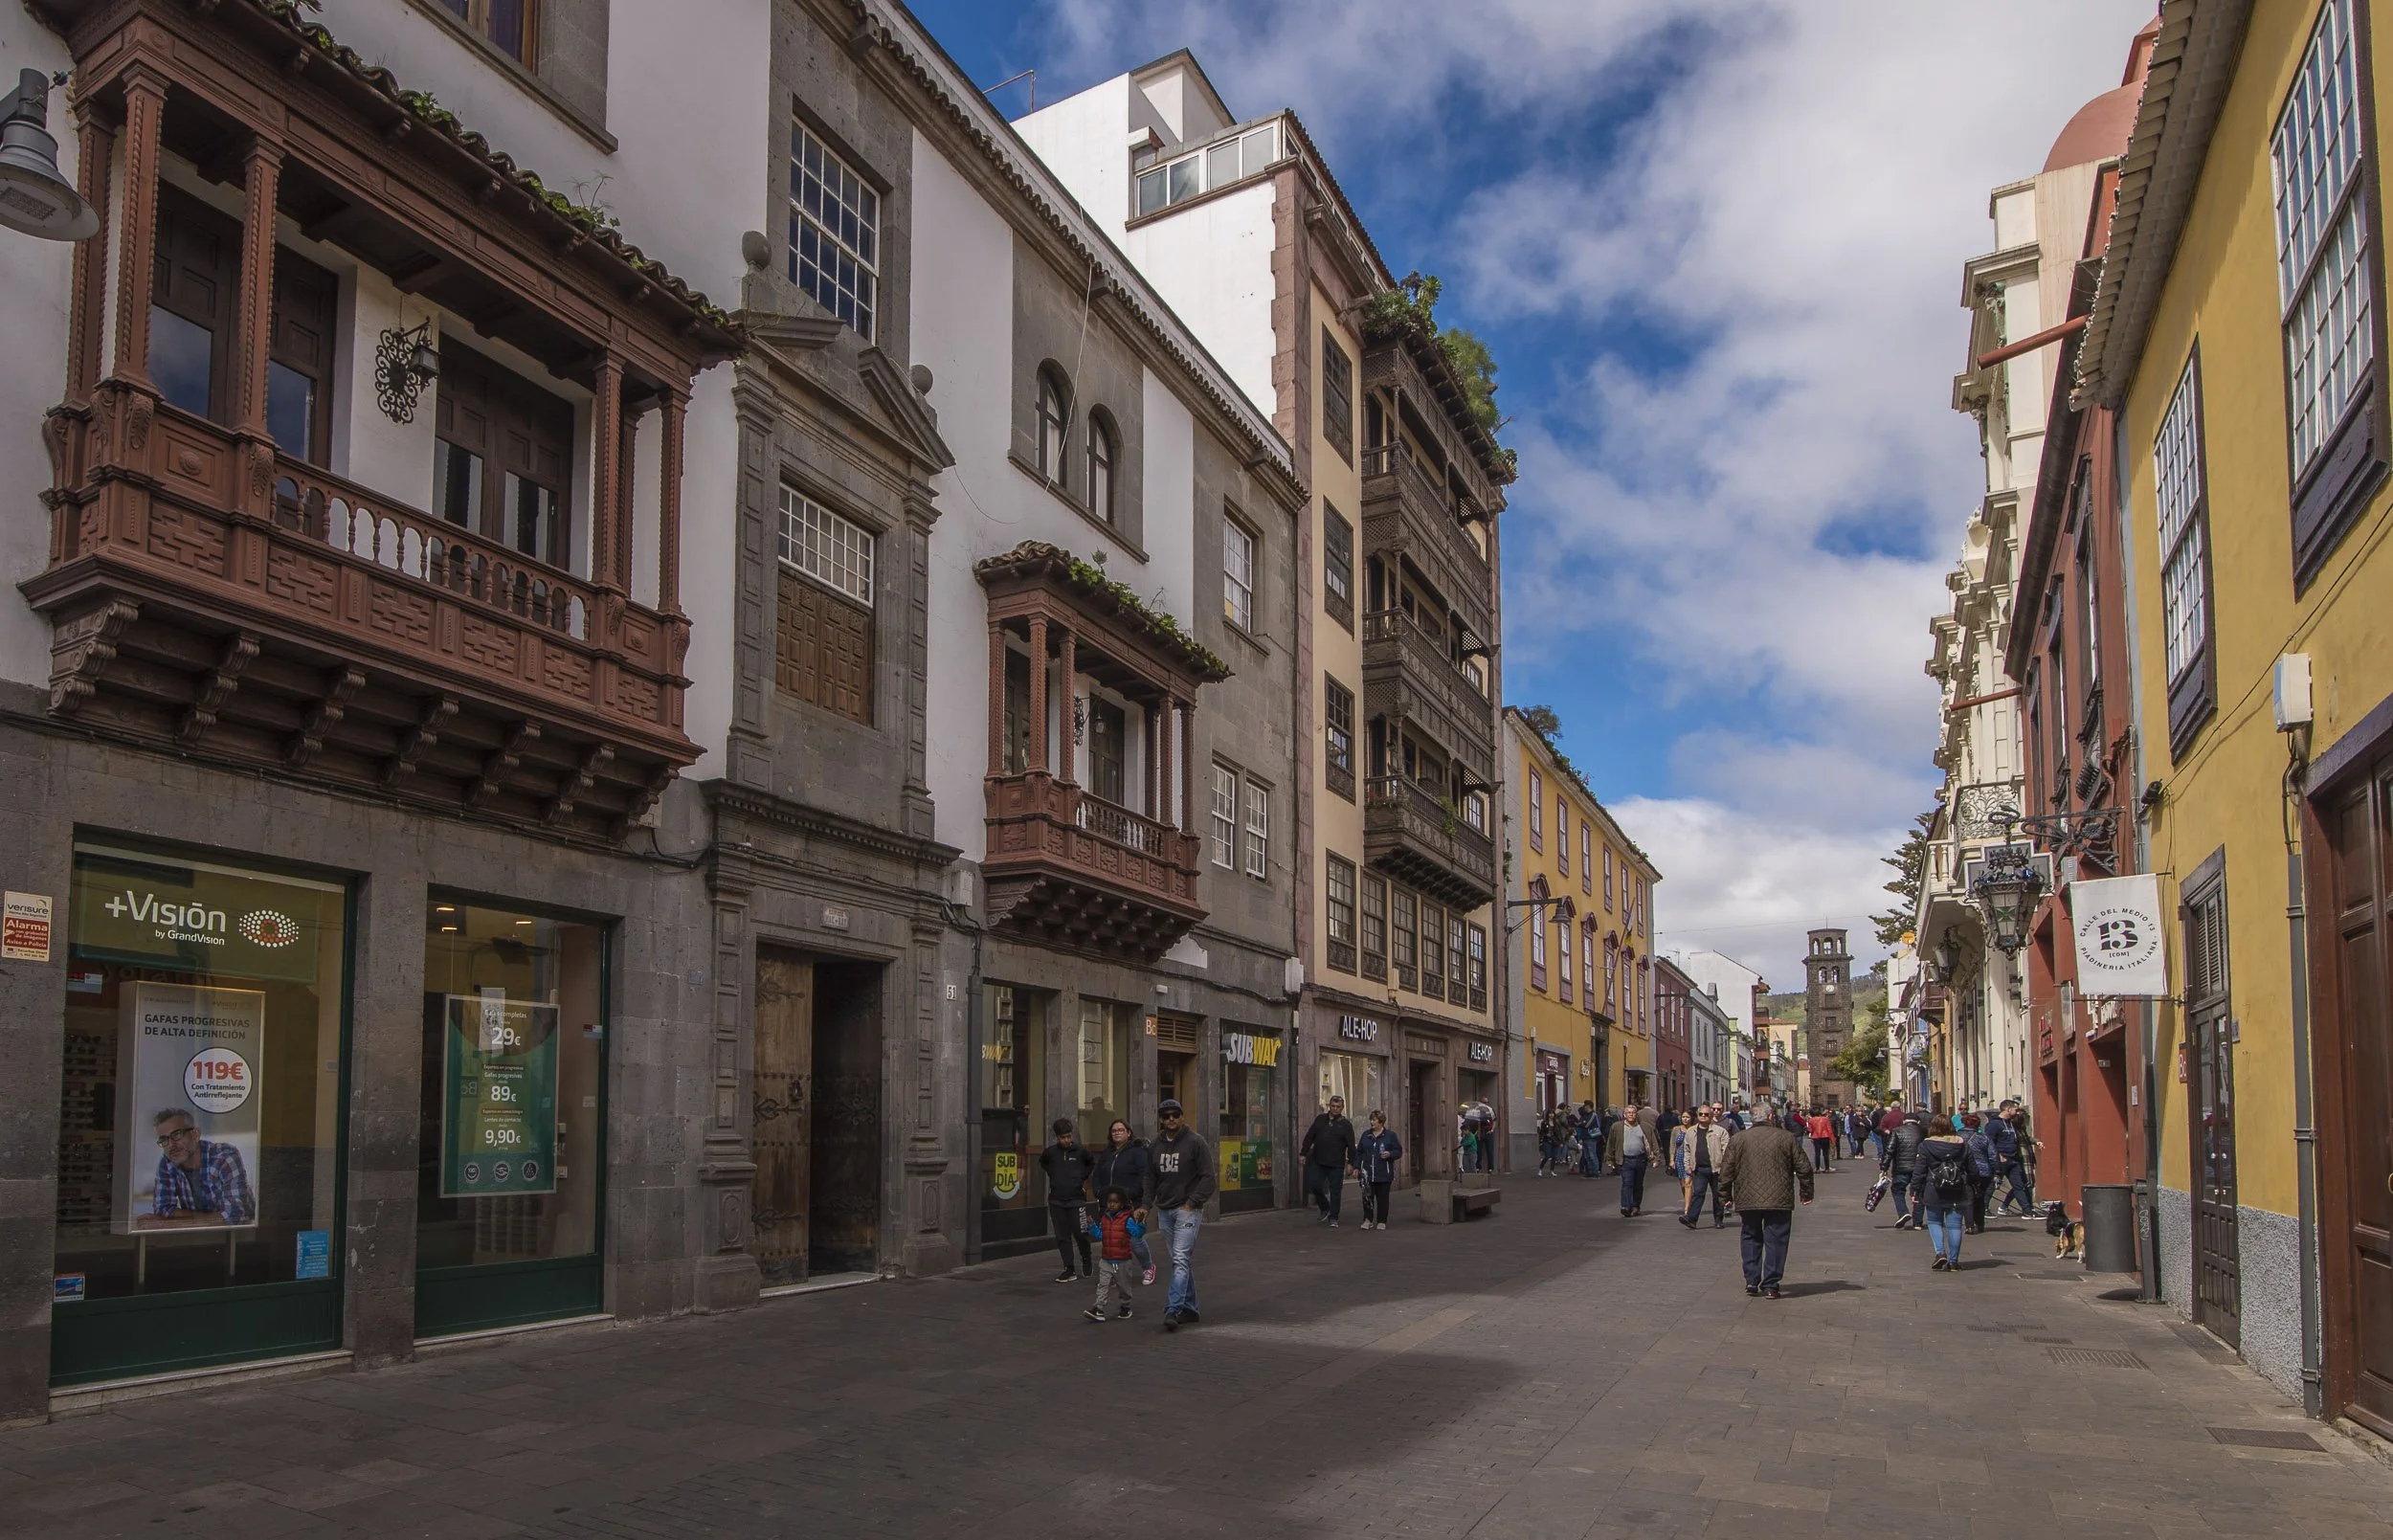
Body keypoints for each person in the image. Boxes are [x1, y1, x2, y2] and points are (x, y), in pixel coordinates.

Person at [1718, 1105, 1814, 1298]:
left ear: (1752, 1118)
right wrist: (1806, 1192)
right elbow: (1803, 1167)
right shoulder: (1786, 1138)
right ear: (1771, 1116)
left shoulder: (1738, 1139)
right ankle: (1771, 1284)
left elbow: (1726, 1170)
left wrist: (1725, 1195)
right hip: (1779, 1197)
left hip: (1747, 1197)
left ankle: (1752, 1281)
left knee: (1750, 1236)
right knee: (1776, 1240)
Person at [1150, 1098, 1215, 1330]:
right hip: (1165, 1209)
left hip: (1187, 1210)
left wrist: (1192, 1202)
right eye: (1165, 1116)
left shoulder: (1196, 1142)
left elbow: (1208, 1177)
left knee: (1180, 1259)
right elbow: (1150, 1178)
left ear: (1182, 1116)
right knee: (1180, 1261)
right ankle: (1191, 1309)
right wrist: (1145, 1206)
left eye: (1175, 1115)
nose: (1170, 1119)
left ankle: (1173, 1309)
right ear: (1160, 1119)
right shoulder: (1155, 1145)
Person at [146, 1110, 255, 1226]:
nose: (171, 1145)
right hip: (196, 1237)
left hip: (242, 1237)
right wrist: (208, 1219)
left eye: (177, 1135)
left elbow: (234, 1217)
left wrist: (176, 1222)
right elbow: (162, 1209)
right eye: (164, 1139)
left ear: (196, 1134)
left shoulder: (224, 1157)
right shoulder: (167, 1162)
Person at [1094, 1119, 1157, 1285]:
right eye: (1114, 1130)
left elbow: (1145, 1175)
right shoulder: (1107, 1153)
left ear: (1128, 1133)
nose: (1117, 1133)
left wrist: (1131, 1194)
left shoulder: (1137, 1151)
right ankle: (1116, 1274)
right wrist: (1098, 1192)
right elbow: (1097, 1174)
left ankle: (1148, 1268)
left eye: (1121, 1130)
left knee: (1135, 1240)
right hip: (1109, 1205)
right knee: (1113, 1240)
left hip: (1131, 1203)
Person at [1912, 1114, 1974, 1271]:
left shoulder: (1925, 1146)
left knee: (1934, 1222)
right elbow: (1973, 1169)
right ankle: (1953, 1261)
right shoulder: (1962, 1145)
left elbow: (1919, 1170)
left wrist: (1914, 1189)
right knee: (1954, 1226)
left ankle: (1940, 1253)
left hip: (1934, 1188)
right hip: (1957, 1188)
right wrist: (1973, 1184)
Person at [1038, 1118, 1096, 1282]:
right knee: (1062, 1236)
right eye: (1063, 1137)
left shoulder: (1081, 1152)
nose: (1066, 1140)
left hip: (1076, 1199)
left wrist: (1081, 1178)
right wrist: (1054, 1175)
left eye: (1069, 1136)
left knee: (1080, 1233)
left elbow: (1091, 1163)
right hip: (1056, 1200)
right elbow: (1043, 1162)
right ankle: (1069, 1269)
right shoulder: (1050, 1152)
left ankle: (1086, 1258)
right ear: (1057, 1138)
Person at [1082, 1187, 1146, 1322]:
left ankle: (1125, 1307)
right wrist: (1093, 1227)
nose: (1112, 1204)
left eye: (1115, 1202)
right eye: (1110, 1201)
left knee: (1123, 1287)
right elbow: (1102, 1236)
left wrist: (1141, 1224)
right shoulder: (1105, 1218)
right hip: (1106, 1259)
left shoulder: (1127, 1220)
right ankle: (1098, 1308)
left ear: (1121, 1204)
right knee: (1103, 1284)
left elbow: (1137, 1234)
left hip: (1122, 1260)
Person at [1299, 1094, 1358, 1226]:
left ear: (1342, 1108)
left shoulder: (1346, 1125)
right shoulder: (1320, 1119)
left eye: (1338, 1107)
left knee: (1335, 1191)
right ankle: (1325, 1206)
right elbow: (1310, 1136)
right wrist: (1303, 1153)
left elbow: (1351, 1145)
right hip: (1318, 1160)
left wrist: (1351, 1163)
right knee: (1314, 1185)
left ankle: (1333, 1217)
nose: (1335, 1109)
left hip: (1336, 1164)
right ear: (1329, 1106)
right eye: (1333, 1106)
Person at [1604, 1101, 1661, 1216]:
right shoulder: (1617, 1127)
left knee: (1638, 1184)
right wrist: (1609, 1159)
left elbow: (1653, 1143)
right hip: (1625, 1160)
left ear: (1636, 1114)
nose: (1631, 1115)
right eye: (1628, 1113)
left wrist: (1656, 1158)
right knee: (1627, 1183)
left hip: (1641, 1160)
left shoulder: (1645, 1127)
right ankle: (1626, 1206)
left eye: (1633, 1113)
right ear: (1624, 1115)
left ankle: (1636, 1206)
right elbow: (1611, 1143)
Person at [1678, 1105, 1730, 1229]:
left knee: (1717, 1195)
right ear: (1697, 1116)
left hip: (1717, 1168)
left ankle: (1718, 1219)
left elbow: (1726, 1150)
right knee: (1698, 1193)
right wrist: (1688, 1166)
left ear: (1711, 1116)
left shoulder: (1720, 1131)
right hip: (1699, 1168)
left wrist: (1724, 1166)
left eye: (1706, 1114)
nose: (1703, 1116)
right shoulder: (1691, 1131)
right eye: (1701, 1114)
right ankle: (1691, 1218)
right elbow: (1687, 1150)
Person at [1354, 1110, 1403, 1229]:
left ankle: (1382, 1220)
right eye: (1371, 1119)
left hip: (1384, 1173)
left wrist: (1390, 1154)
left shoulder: (1390, 1136)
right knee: (1367, 1197)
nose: (1372, 1122)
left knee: (1382, 1199)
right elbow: (1359, 1152)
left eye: (1374, 1120)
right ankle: (1368, 1219)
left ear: (1381, 1122)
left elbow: (1398, 1151)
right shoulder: (1366, 1135)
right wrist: (1356, 1167)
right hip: (1367, 1173)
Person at [1881, 1107, 1926, 1229]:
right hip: (1919, 1168)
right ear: (1918, 1121)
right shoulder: (1924, 1131)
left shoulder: (1897, 1131)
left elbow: (1889, 1150)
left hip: (1901, 1168)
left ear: (1904, 1121)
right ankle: (1917, 1222)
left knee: (1898, 1190)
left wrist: (1884, 1167)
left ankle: (1903, 1212)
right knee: (1919, 1193)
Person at [1991, 1102, 2035, 1217]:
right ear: (2008, 1109)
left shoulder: (2011, 1124)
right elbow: (1989, 1142)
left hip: (2014, 1159)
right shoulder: (1994, 1124)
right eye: (2015, 1110)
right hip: (2001, 1160)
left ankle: (2027, 1211)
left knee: (2019, 1185)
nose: (2017, 1112)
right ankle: (1984, 1208)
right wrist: (1997, 1155)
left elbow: (2022, 1138)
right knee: (1992, 1185)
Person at [1959, 1112, 1998, 1234]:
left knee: (1967, 1198)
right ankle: (1980, 1224)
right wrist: (1997, 1171)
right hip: (1983, 1172)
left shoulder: (1957, 1137)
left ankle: (1970, 1225)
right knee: (1980, 1199)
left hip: (1964, 1172)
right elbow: (1993, 1156)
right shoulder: (1984, 1138)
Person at [1668, 1109, 1697, 1210]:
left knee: (1688, 1182)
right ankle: (1688, 1200)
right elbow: (1672, 1145)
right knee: (1683, 1184)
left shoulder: (1694, 1129)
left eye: (1687, 1117)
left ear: (1692, 1118)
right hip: (1679, 1158)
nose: (1685, 1119)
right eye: (1683, 1117)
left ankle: (1688, 1207)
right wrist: (1672, 1160)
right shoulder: (1676, 1129)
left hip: (1691, 1157)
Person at [1805, 1108, 1835, 1172]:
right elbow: (1830, 1130)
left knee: (1817, 1153)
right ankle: (1827, 1168)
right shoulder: (1825, 1119)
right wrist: (1832, 1140)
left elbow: (1810, 1130)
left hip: (1816, 1137)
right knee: (1826, 1153)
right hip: (1825, 1136)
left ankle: (1817, 1168)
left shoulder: (1811, 1120)